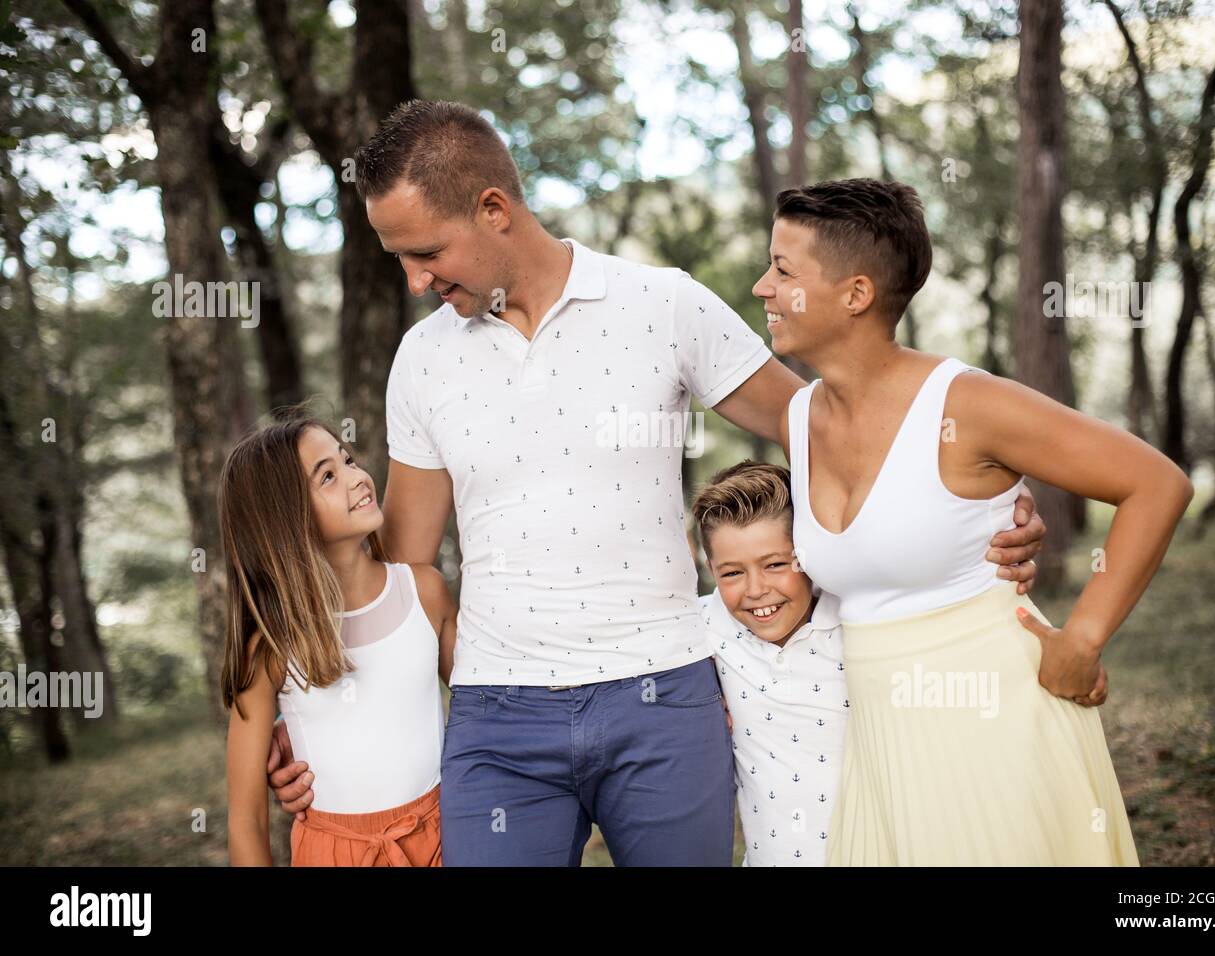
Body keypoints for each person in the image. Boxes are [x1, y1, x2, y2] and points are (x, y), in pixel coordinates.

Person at [266, 100, 1046, 866]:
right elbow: (401, 572)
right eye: (399, 258)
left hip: (664, 695)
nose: (413, 281)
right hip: (498, 717)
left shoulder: (663, 304)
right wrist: (313, 714)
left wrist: (972, 494)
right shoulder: (423, 359)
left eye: (426, 252)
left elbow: (827, 429)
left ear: (494, 209)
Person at [755, 177, 1194, 865]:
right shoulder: (800, 418)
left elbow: (1156, 484)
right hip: (881, 751)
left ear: (856, 293)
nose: (763, 287)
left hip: (999, 724)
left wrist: (1084, 637)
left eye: (783, 270)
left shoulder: (967, 404)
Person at [222, 416, 456, 866]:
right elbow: (245, 820)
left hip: (443, 842)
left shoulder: (425, 593)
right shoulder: (271, 647)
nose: (357, 477)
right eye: (327, 476)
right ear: (286, 518)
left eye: (347, 460)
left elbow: (487, 709)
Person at [692, 460, 846, 866]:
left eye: (775, 564)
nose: (757, 590)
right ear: (711, 570)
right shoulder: (699, 626)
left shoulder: (857, 622)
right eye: (732, 573)